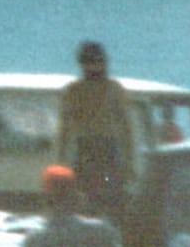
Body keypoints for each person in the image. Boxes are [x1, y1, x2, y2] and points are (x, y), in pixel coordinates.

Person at [57, 41, 135, 222]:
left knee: (112, 200)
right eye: (88, 61)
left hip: (108, 152)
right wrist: (61, 163)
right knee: (85, 200)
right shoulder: (74, 91)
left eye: (97, 61)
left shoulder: (114, 89)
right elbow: (65, 129)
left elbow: (126, 128)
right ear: (82, 64)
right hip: (87, 151)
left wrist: (129, 162)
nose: (93, 66)